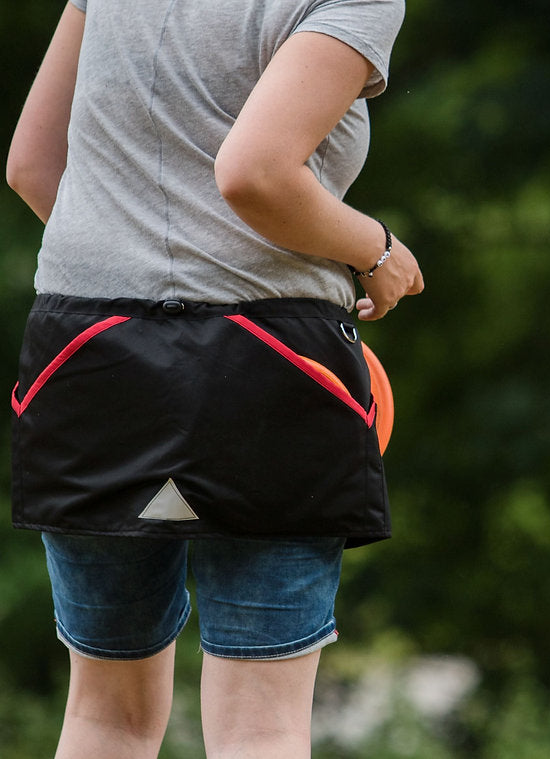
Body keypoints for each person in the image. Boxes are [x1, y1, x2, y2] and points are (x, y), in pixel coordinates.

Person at [6, 0, 423, 756]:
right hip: (268, 360)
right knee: (260, 724)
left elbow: (32, 166)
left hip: (88, 357)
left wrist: (133, 269)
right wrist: (376, 249)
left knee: (103, 716)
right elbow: (254, 173)